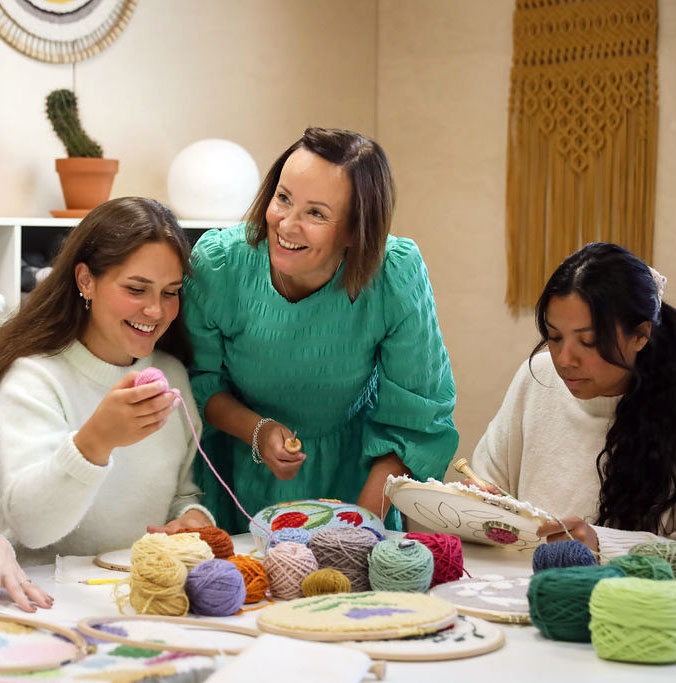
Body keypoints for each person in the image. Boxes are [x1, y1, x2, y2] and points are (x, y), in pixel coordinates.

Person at [183, 127, 459, 533]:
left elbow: (417, 420)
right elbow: (197, 384)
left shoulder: (395, 274)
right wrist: (257, 431)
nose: (287, 224)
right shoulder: (219, 265)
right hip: (236, 473)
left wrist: (359, 528)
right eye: (283, 198)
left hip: (358, 482)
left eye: (316, 213)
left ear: (354, 229)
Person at [0, 197, 214, 567]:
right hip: (46, 605)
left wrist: (193, 518)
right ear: (86, 280)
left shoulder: (170, 373)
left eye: (170, 292)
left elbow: (179, 494)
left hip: (135, 596)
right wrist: (95, 441)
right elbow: (31, 527)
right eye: (136, 289)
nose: (156, 310)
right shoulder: (34, 379)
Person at [471, 242, 676, 559]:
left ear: (640, 335)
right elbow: (486, 486)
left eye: (589, 341)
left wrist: (601, 546)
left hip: (629, 603)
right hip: (518, 591)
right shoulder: (538, 376)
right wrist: (475, 505)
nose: (564, 359)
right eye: (554, 337)